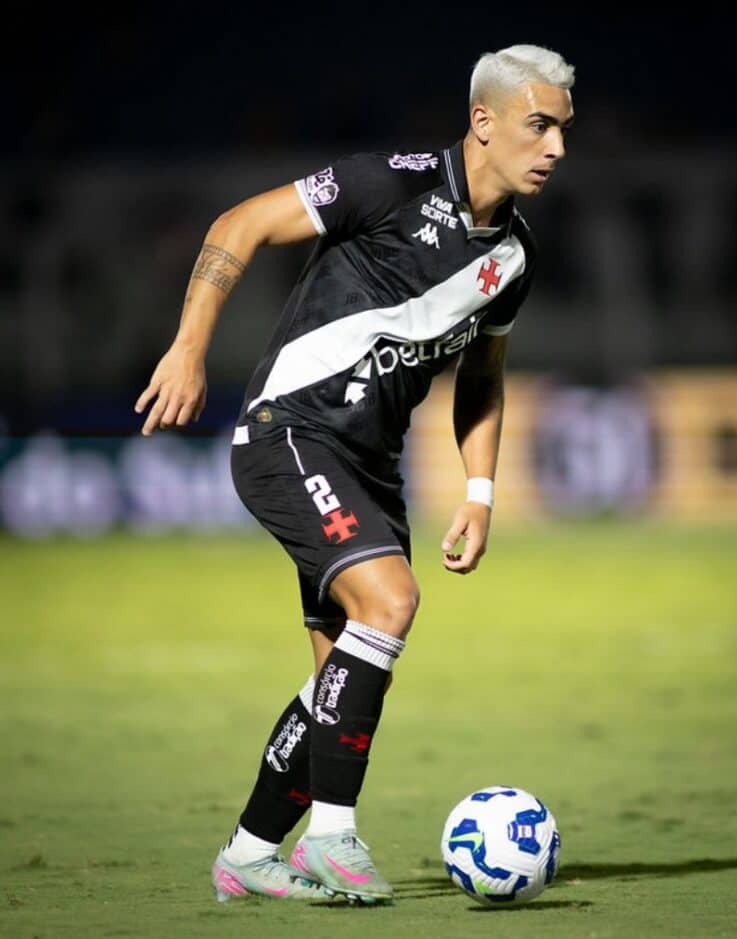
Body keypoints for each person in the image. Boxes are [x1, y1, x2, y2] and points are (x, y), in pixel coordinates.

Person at [135, 43, 575, 905]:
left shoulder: (513, 261)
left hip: (369, 467)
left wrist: (480, 493)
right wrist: (189, 347)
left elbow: (481, 377)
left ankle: (251, 853)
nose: (557, 147)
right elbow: (240, 225)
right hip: (290, 434)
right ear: (483, 122)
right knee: (392, 602)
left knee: (335, 677)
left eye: (563, 129)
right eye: (540, 125)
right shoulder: (390, 184)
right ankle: (335, 836)